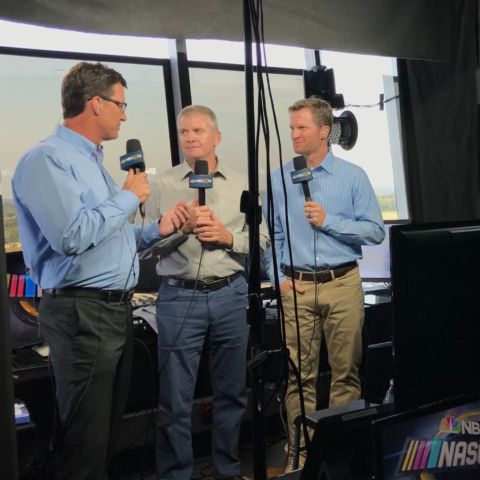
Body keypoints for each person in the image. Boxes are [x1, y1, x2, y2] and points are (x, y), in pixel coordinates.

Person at [12, 62, 185, 480]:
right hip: (82, 312)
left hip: (111, 312)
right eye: (121, 104)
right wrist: (127, 198)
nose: (125, 115)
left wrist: (155, 230)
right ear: (95, 103)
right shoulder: (46, 160)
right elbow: (71, 236)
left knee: (106, 435)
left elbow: (109, 238)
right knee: (85, 444)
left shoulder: (92, 161)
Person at [142, 105, 270, 480]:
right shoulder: (162, 185)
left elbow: (262, 239)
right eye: (184, 132)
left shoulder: (243, 182)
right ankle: (176, 474)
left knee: (232, 395)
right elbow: (144, 248)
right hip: (178, 297)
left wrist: (228, 237)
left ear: (216, 137)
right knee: (175, 401)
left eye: (198, 130)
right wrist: (177, 230)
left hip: (230, 296)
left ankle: (227, 470)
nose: (191, 137)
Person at [265, 98, 385, 470]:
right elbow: (275, 235)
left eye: (301, 128)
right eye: (291, 128)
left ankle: (337, 457)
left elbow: (375, 231)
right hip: (296, 288)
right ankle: (300, 459)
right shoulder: (279, 177)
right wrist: (278, 280)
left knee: (345, 374)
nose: (294, 134)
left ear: (323, 130)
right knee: (299, 378)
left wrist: (329, 221)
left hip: (342, 284)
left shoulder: (353, 176)